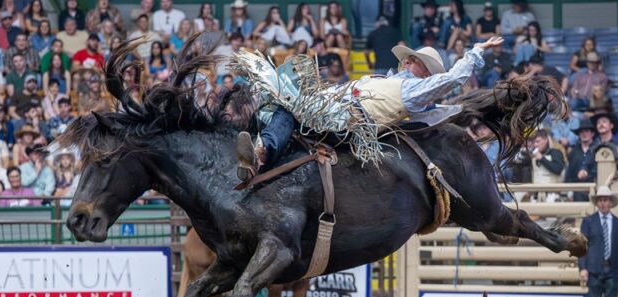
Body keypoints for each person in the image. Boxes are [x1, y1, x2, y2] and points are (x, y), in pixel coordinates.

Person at [234, 36, 504, 181]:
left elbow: (453, 78)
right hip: (333, 109)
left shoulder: (415, 90)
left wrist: (476, 50)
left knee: (289, 110)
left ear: (426, 74)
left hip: (350, 121)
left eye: (415, 61)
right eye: (409, 58)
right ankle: (253, 147)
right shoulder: (386, 80)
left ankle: (262, 154)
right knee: (279, 104)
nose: (408, 61)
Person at [564, 119, 597, 201]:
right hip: (576, 190)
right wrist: (569, 192)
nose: (584, 134)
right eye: (581, 132)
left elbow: (599, 170)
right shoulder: (574, 152)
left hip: (595, 188)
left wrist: (587, 175)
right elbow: (569, 173)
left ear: (592, 133)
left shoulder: (598, 150)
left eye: (587, 131)